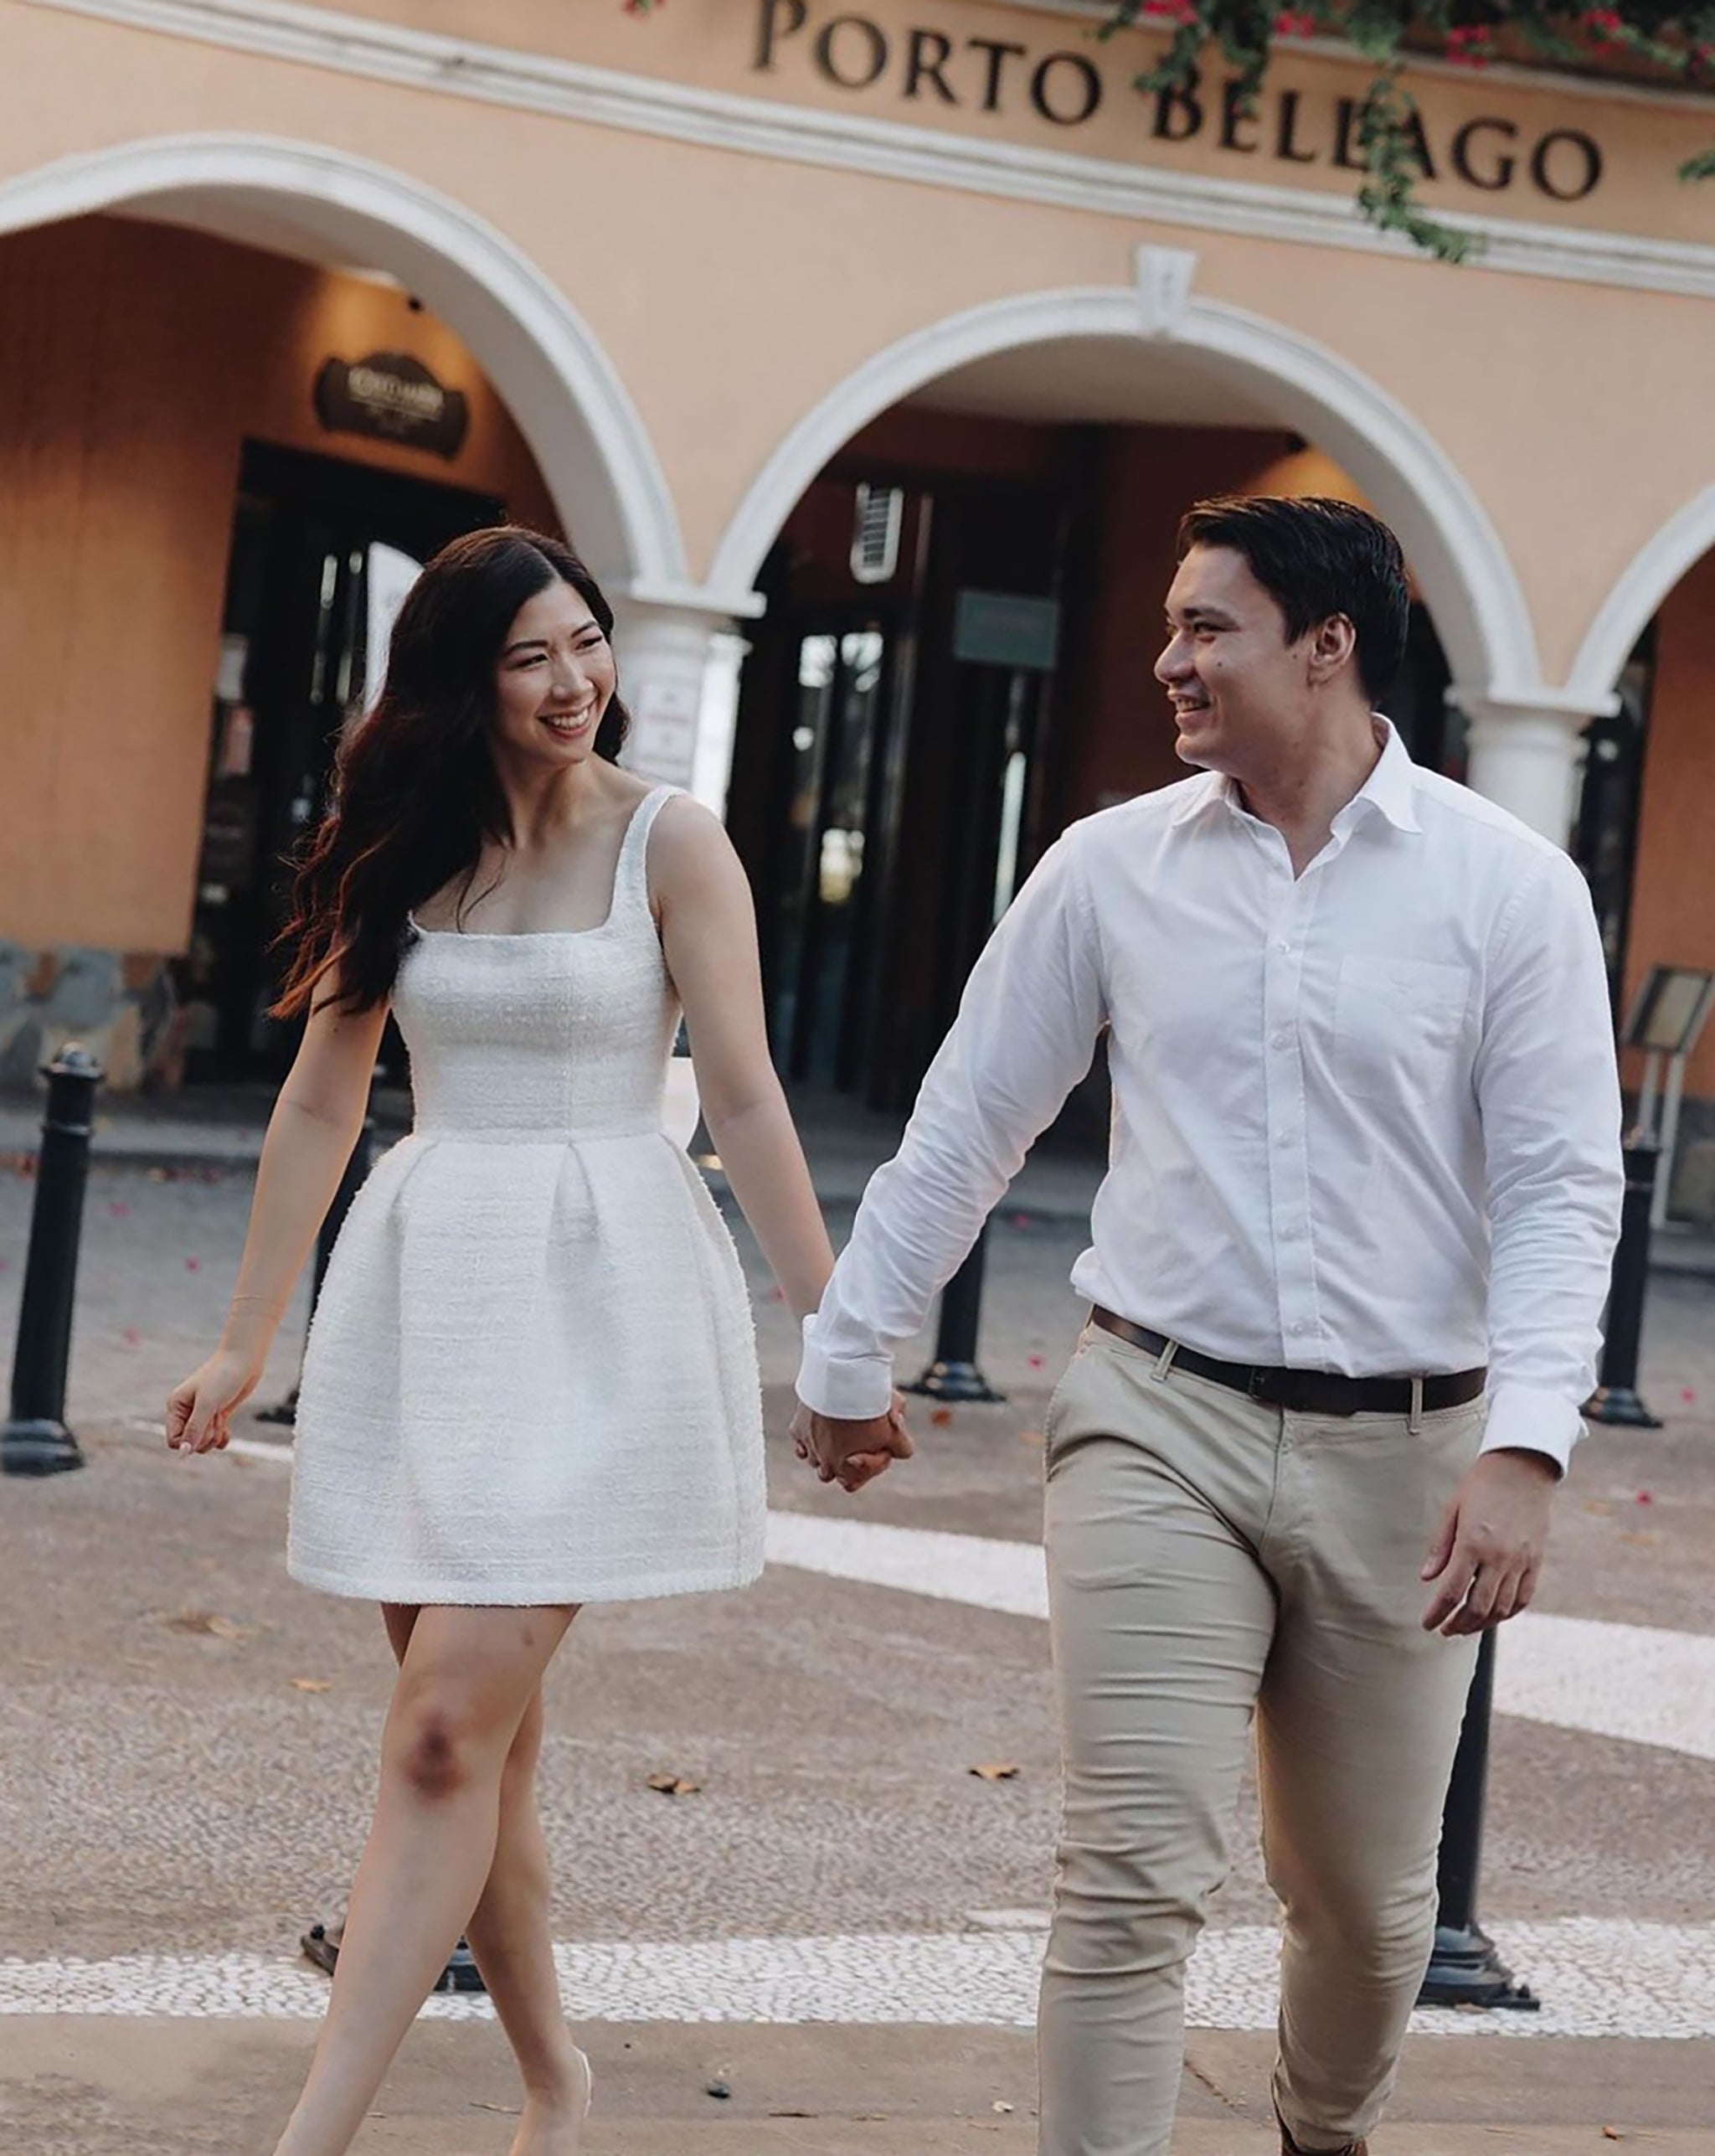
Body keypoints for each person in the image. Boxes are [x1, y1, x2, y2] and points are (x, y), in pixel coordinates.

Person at [792, 496, 1625, 2156]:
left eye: (1205, 628)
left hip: (1410, 1449)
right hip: (1152, 1417)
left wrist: (1525, 1446)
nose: (1166, 660)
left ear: (1324, 646)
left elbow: (1556, 1186)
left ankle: (1324, 2136)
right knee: (1129, 1866)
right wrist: (846, 1347)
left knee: (1372, 1914)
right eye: (1169, 625)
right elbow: (970, 1119)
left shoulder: (1507, 890)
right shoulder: (1110, 868)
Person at [165, 525, 899, 2156]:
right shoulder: (398, 850)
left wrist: (835, 1341)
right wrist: (238, 1344)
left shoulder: (671, 844)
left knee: (439, 1726)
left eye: (589, 643)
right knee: (480, 1748)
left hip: (607, 1292)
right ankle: (555, 2084)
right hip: (432, 1294)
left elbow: (745, 1092)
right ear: (462, 680)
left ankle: (309, 2141)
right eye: (530, 656)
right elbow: (319, 1098)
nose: (574, 684)